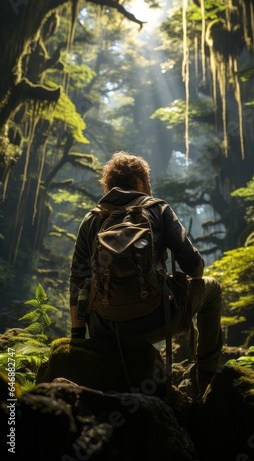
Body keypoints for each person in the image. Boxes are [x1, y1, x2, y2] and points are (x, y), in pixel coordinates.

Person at [69, 151, 223, 397]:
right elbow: (194, 267)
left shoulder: (92, 219)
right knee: (213, 289)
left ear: (109, 184)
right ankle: (205, 380)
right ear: (140, 182)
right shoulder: (158, 209)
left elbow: (77, 280)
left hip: (106, 329)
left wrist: (78, 339)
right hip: (157, 319)